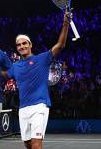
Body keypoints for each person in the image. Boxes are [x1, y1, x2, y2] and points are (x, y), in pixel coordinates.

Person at [6, 9, 72, 149]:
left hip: (39, 106)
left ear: (30, 45)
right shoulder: (15, 66)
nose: (22, 46)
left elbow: (60, 45)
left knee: (36, 144)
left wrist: (65, 23)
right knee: (28, 144)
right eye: (19, 45)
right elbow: (2, 75)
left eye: (24, 43)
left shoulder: (42, 58)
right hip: (23, 109)